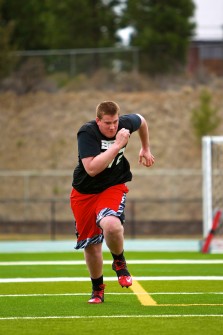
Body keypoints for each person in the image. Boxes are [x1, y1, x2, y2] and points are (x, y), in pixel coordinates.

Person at [70, 101, 154, 304]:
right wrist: (117, 145)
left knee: (112, 225)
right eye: (107, 123)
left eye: (115, 122)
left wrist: (145, 148)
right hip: (84, 192)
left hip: (113, 186)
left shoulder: (124, 124)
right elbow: (91, 169)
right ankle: (97, 288)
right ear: (98, 120)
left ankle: (119, 261)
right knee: (91, 245)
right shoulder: (87, 133)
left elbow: (141, 121)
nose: (112, 127)